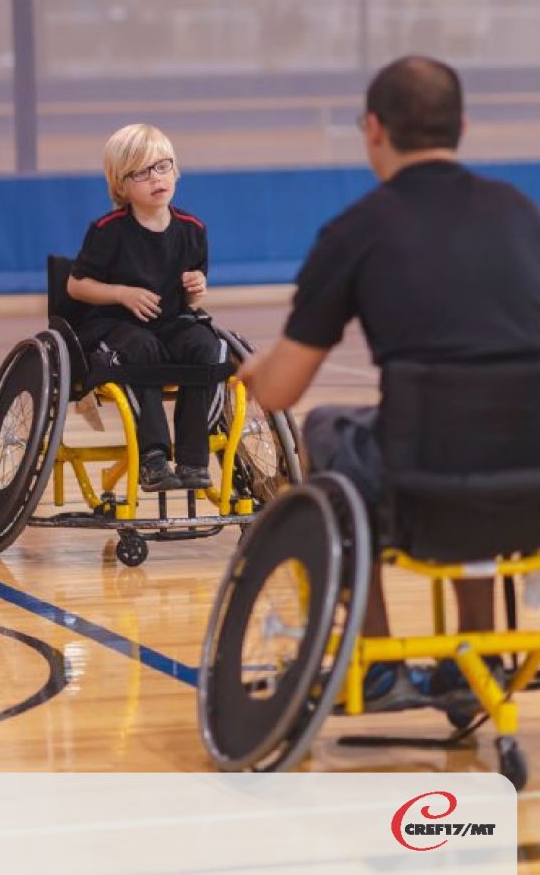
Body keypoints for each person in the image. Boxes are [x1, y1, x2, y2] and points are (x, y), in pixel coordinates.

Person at [238, 56, 540, 711]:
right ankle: (476, 651)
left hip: (418, 494)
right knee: (485, 425)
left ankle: (374, 663)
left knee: (326, 428)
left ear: (373, 128)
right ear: (458, 125)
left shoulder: (355, 231)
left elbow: (281, 391)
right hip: (530, 495)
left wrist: (255, 373)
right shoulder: (522, 215)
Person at [67, 123, 226, 491]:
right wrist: (122, 294)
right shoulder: (108, 230)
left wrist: (197, 288)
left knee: (206, 346)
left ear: (176, 170)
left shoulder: (192, 229)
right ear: (121, 185)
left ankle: (192, 458)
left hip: (171, 321)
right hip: (115, 327)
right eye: (141, 172)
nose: (156, 178)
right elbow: (76, 285)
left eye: (162, 166)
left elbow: (194, 299)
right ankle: (153, 456)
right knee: (141, 349)